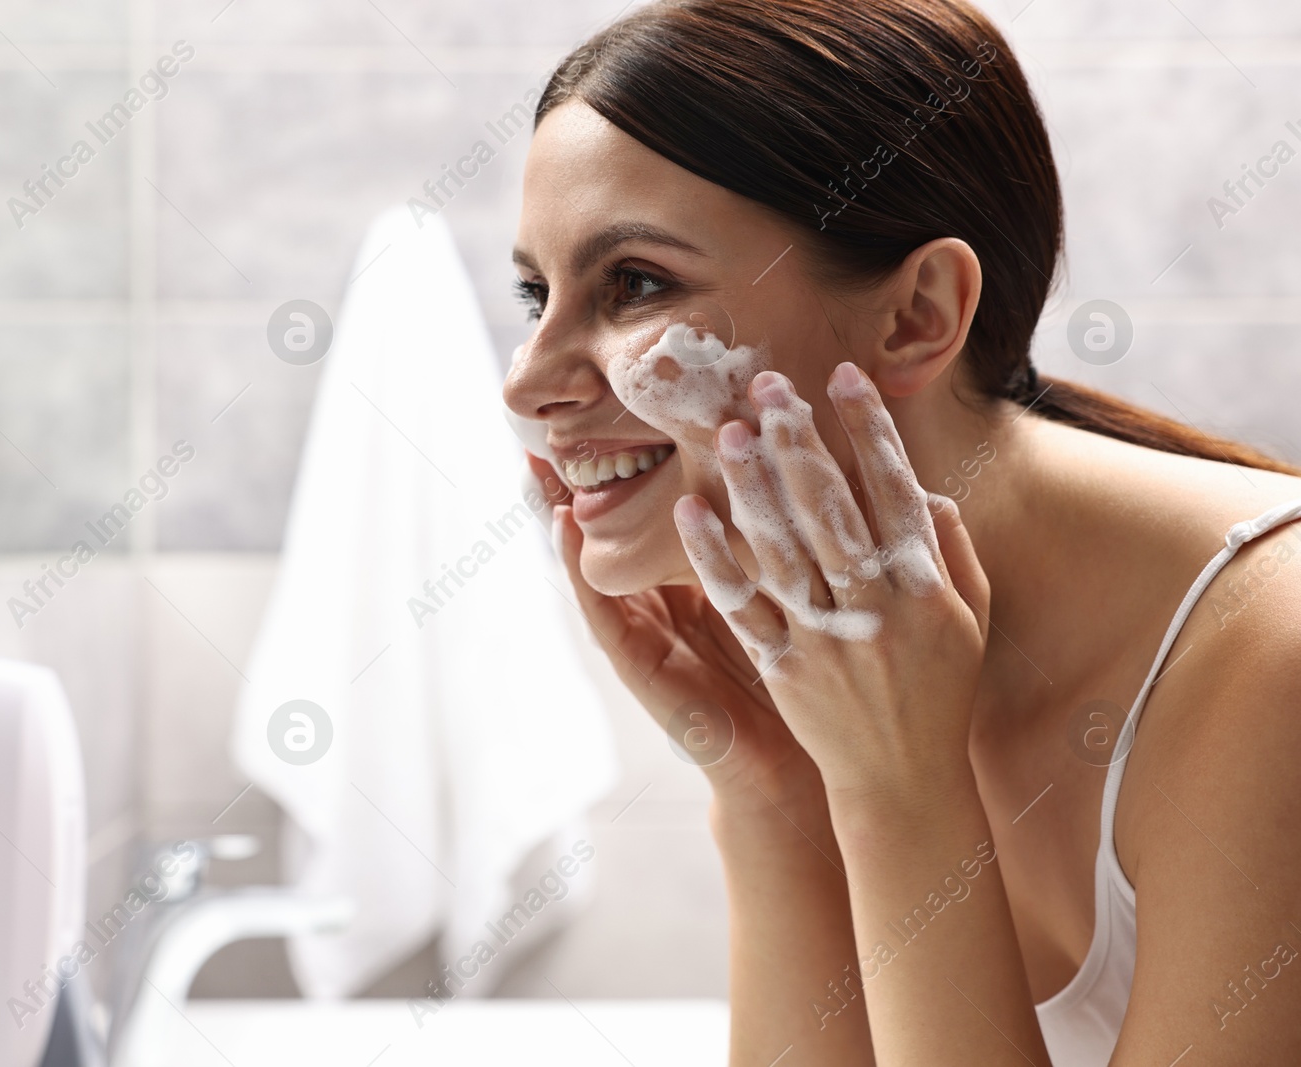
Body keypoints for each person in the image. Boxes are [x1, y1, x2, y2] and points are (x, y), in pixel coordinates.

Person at [502, 1, 1301, 1063]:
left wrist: (901, 793)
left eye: (635, 283)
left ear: (915, 314)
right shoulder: (847, 670)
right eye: (533, 293)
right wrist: (772, 798)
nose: (526, 384)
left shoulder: (1270, 664)